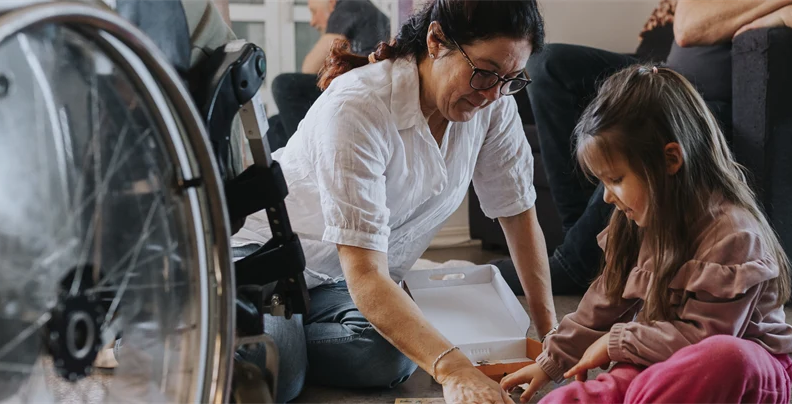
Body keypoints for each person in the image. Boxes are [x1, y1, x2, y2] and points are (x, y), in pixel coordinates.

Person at [230, 0, 556, 402]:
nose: (493, 94)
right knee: (279, 378)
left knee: (391, 356)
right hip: (268, 257)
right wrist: (454, 370)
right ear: (437, 40)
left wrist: (551, 339)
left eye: (511, 78)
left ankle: (281, 337)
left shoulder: (495, 104)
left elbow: (519, 217)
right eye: (485, 72)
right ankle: (234, 328)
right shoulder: (360, 106)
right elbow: (367, 274)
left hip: (337, 277)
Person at [500, 66, 792, 404]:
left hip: (742, 372)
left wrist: (619, 341)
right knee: (583, 394)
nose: (607, 197)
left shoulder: (734, 234)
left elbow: (703, 341)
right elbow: (600, 305)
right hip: (655, 357)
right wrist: (551, 362)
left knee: (724, 356)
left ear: (670, 159)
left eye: (615, 179)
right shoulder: (632, 222)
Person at [496, 0, 792, 296]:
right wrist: (788, 7)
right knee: (548, 64)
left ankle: (575, 264)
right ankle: (588, 247)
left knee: (651, 120)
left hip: (714, 108)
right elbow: (688, 26)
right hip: (663, 75)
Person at [265, 0, 390, 149]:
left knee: (285, 85)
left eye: (314, 11)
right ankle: (286, 169)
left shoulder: (350, 6)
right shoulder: (367, 12)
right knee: (273, 126)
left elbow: (311, 67)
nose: (312, 22)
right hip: (361, 93)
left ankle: (307, 155)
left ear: (331, 3)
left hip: (360, 95)